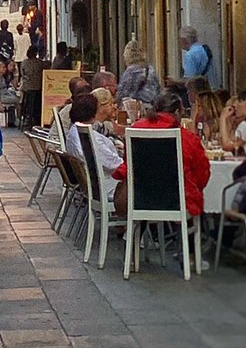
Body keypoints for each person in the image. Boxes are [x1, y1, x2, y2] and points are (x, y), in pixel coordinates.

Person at [111, 90, 210, 256]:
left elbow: (130, 164)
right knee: (194, 204)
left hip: (140, 198)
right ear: (178, 112)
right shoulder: (187, 138)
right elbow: (202, 173)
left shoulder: (135, 130)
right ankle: (190, 256)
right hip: (175, 200)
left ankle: (133, 253)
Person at [66, 92, 125, 206]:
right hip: (109, 187)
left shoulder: (74, 132)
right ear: (93, 113)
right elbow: (115, 164)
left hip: (97, 185)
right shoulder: (90, 138)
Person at [116, 41, 161, 110]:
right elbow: (157, 89)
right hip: (152, 108)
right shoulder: (151, 70)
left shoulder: (130, 72)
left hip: (137, 108)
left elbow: (123, 94)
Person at [186, 75, 225, 142]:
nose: (195, 110)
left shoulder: (216, 125)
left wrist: (193, 118)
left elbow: (193, 142)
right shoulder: (199, 124)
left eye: (198, 106)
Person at [19, 45, 45, 130]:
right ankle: (36, 120)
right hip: (38, 88)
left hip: (27, 88)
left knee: (28, 104)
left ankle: (27, 119)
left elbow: (22, 74)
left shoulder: (24, 63)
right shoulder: (40, 63)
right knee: (37, 104)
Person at [0, 59, 20, 127]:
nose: (5, 69)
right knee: (17, 100)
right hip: (1, 96)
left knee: (15, 96)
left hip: (5, 93)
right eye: (3, 67)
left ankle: (12, 120)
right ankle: (18, 119)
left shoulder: (2, 77)